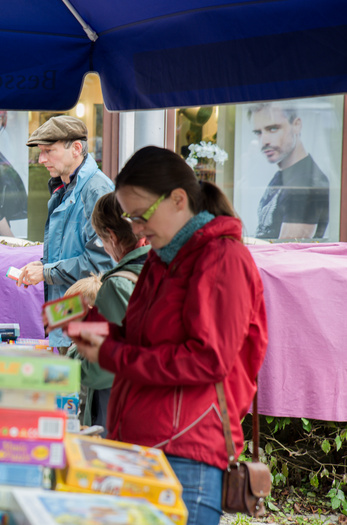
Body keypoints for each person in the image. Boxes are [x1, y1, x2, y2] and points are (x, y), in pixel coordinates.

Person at [70, 146, 268, 525]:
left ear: (179, 199)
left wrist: (111, 353)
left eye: (141, 216)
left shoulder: (222, 258)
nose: (137, 229)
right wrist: (95, 330)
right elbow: (139, 337)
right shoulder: (162, 259)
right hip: (144, 443)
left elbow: (207, 360)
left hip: (186, 451)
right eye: (130, 218)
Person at [17, 115, 114, 349]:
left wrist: (48, 272)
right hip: (68, 318)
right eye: (40, 151)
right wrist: (43, 265)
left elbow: (102, 263)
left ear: (77, 148)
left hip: (87, 321)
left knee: (78, 384)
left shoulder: (96, 190)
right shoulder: (65, 187)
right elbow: (70, 251)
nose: (41, 159)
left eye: (49, 151)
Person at [65, 192, 151, 434]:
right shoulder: (164, 268)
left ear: (112, 237)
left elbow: (100, 367)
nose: (103, 247)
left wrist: (65, 365)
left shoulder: (117, 285)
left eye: (102, 240)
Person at [248, 102, 329, 239]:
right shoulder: (284, 175)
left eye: (273, 129)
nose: (264, 141)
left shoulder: (305, 182)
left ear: (296, 125)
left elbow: (288, 250)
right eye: (258, 133)